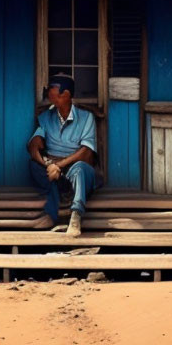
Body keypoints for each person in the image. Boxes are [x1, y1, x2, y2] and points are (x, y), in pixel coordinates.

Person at [27, 74, 99, 237]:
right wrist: (48, 165)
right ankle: (53, 215)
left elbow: (86, 152)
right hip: (52, 169)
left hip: (74, 167)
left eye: (52, 88)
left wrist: (59, 165)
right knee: (33, 165)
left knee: (81, 169)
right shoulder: (45, 117)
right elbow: (33, 147)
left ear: (65, 94)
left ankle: (75, 215)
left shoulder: (86, 117)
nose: (48, 92)